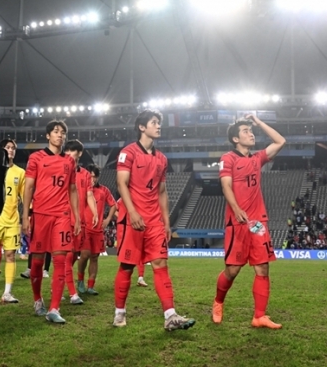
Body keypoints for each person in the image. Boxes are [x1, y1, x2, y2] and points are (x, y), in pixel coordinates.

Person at [113, 109, 195, 331]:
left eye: (159, 123)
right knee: (128, 266)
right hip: (132, 218)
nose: (159, 126)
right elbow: (122, 184)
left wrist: (166, 221)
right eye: (154, 122)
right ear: (142, 127)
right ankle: (119, 313)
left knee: (160, 264)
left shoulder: (162, 159)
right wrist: (132, 212)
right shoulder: (128, 153)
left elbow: (162, 192)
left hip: (154, 221)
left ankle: (170, 315)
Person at [212, 114, 286, 329]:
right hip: (237, 222)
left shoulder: (257, 159)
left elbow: (280, 141)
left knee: (262, 268)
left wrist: (259, 122)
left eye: (250, 130)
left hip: (257, 223)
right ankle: (218, 302)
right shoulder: (228, 158)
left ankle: (259, 316)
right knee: (232, 271)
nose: (250, 133)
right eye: (245, 131)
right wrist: (236, 209)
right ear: (235, 139)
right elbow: (226, 186)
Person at [22, 120, 80, 324]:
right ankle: (38, 299)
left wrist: (77, 216)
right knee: (37, 263)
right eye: (56, 132)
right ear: (48, 135)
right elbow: (28, 187)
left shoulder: (70, 161)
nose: (60, 135)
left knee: (60, 260)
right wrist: (25, 216)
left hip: (62, 215)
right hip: (40, 214)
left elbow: (73, 189)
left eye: (63, 132)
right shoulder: (36, 158)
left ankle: (54, 307)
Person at [0, 139, 25, 303]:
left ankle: (7, 292)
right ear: (1, 150)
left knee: (10, 255)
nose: (11, 150)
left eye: (13, 148)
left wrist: (27, 215)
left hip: (12, 220)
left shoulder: (20, 172)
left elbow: (24, 196)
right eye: (7, 147)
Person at [64, 140, 98, 303]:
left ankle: (59, 283)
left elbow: (89, 195)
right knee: (68, 255)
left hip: (80, 221)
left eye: (74, 151)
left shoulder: (84, 174)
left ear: (80, 153)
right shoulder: (61, 170)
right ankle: (73, 293)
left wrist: (95, 212)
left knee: (74, 256)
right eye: (68, 150)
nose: (71, 153)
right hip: (64, 219)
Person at [77, 164, 115, 295]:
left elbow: (113, 205)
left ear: (98, 177)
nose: (92, 179)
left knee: (94, 257)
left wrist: (107, 219)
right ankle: (80, 280)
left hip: (98, 230)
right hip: (85, 227)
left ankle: (90, 286)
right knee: (85, 255)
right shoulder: (82, 190)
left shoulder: (104, 190)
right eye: (90, 177)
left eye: (94, 177)